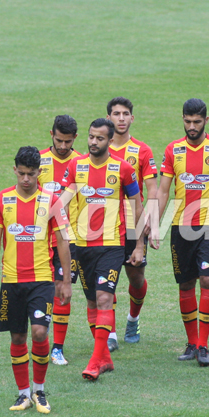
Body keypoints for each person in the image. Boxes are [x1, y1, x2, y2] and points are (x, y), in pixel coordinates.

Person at [0, 146, 72, 413]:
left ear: (39, 173)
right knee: (18, 336)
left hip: (41, 279)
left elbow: (62, 242)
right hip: (11, 281)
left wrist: (66, 281)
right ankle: (23, 394)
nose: (25, 179)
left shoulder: (52, 201)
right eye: (21, 173)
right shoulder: (2, 200)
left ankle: (39, 390)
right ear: (15, 170)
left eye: (31, 174)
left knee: (39, 331)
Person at [156, 99, 209, 367]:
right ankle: (192, 342)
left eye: (197, 122)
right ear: (182, 119)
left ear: (206, 120)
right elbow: (163, 190)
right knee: (185, 284)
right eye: (187, 121)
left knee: (207, 280)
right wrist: (155, 224)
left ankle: (203, 345)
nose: (192, 127)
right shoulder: (173, 150)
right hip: (181, 226)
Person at [59, 118, 146, 381]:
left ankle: (95, 362)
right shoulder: (76, 166)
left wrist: (139, 245)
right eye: (91, 137)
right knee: (92, 301)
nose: (93, 142)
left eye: (99, 138)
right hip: (82, 245)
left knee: (105, 298)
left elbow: (137, 207)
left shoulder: (123, 169)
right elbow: (62, 203)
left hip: (112, 244)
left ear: (110, 141)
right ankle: (105, 358)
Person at [106, 97, 158, 349]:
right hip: (104, 228)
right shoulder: (98, 150)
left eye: (126, 113)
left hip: (133, 226)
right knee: (108, 278)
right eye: (116, 114)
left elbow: (152, 190)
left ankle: (133, 318)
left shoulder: (142, 151)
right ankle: (111, 333)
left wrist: (150, 220)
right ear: (109, 118)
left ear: (132, 118)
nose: (121, 118)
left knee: (136, 279)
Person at [38, 115, 82, 366]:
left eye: (67, 141)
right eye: (58, 140)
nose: (63, 146)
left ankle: (57, 348)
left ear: (75, 138)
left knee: (61, 290)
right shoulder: (39, 161)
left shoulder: (83, 163)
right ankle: (41, 338)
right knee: (42, 289)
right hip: (41, 238)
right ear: (51, 134)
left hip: (69, 238)